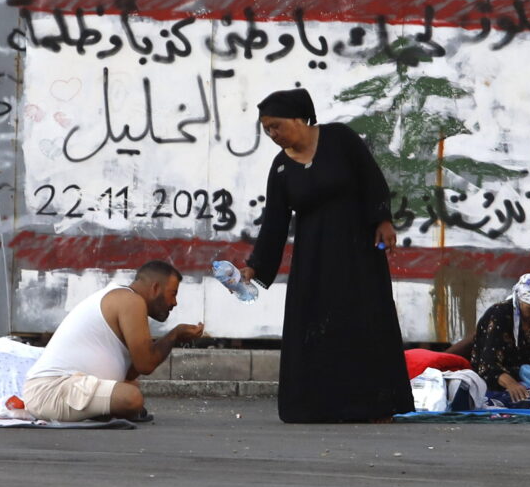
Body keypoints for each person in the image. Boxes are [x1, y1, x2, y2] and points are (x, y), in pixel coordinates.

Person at [240, 87, 414, 422]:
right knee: (314, 327)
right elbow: (274, 222)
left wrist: (382, 220)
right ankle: (314, 408)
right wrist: (254, 267)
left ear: (298, 118)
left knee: (365, 321)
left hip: (357, 252)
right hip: (313, 261)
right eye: (267, 130)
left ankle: (376, 407)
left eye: (276, 126)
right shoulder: (280, 168)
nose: (273, 134)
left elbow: (371, 178)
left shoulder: (339, 139)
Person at [22, 260, 204, 422]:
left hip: (53, 391)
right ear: (155, 288)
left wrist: (173, 337)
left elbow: (131, 372)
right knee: (131, 398)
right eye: (173, 293)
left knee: (131, 385)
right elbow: (146, 365)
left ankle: (102, 412)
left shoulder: (123, 298)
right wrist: (174, 335)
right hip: (50, 391)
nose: (174, 302)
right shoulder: (131, 301)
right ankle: (106, 412)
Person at [471, 272, 530, 403]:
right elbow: (487, 365)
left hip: (526, 374)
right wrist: (511, 384)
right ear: (519, 301)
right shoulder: (499, 315)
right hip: (500, 377)